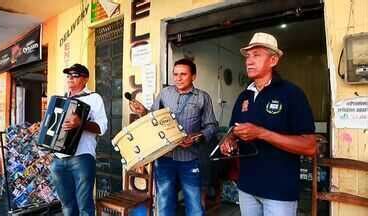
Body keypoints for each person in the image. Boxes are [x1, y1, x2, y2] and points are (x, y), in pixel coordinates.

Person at [220, 32, 316, 216]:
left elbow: (310, 146)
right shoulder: (244, 96)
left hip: (279, 192)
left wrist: (262, 133)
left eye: (256, 55)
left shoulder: (291, 94)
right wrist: (229, 141)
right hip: (246, 187)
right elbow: (233, 131)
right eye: (248, 56)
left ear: (273, 60)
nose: (249, 61)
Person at [129, 58, 218, 216]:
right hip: (164, 159)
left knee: (195, 206)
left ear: (193, 76)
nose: (178, 78)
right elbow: (154, 118)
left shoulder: (202, 97)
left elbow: (211, 126)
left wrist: (196, 137)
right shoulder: (165, 93)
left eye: (183, 74)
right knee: (164, 205)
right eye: (175, 74)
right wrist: (143, 111)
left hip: (190, 159)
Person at [50, 63, 108, 216]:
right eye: (68, 75)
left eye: (75, 75)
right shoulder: (61, 99)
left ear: (85, 79)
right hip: (58, 159)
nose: (70, 78)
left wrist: (80, 124)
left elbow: (102, 128)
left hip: (82, 157)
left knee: (85, 206)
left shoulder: (94, 98)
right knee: (67, 206)